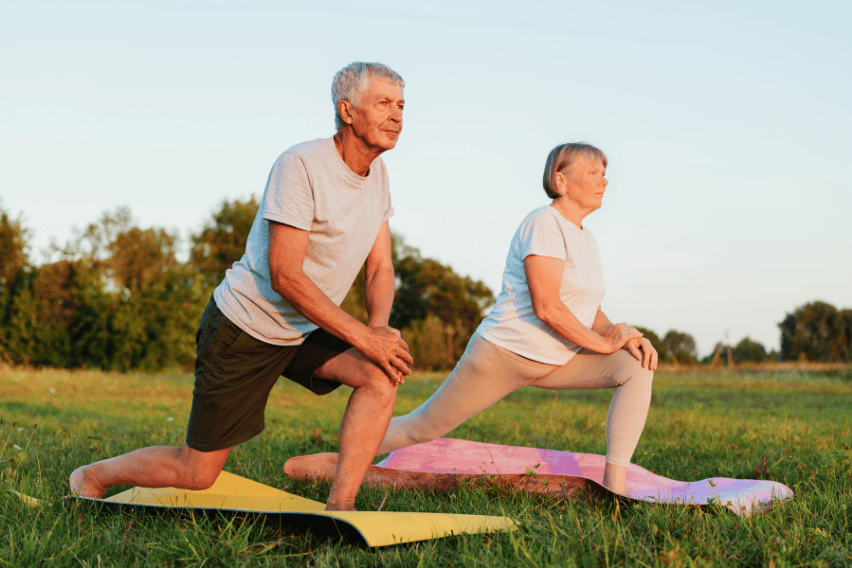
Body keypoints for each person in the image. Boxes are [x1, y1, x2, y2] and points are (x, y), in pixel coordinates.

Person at [70, 62, 413, 511]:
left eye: (401, 105)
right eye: (383, 103)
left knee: (380, 372)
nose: (396, 115)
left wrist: (380, 330)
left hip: (303, 329)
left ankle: (342, 505)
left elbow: (380, 267)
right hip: (244, 326)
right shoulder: (301, 165)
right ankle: (93, 475)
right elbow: (284, 276)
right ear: (347, 111)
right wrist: (364, 336)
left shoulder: (378, 177)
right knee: (196, 473)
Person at [374, 142, 657, 495]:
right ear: (561, 180)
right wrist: (603, 343)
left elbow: (590, 310)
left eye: (605, 173)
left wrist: (623, 335)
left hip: (554, 360)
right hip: (502, 356)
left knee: (635, 365)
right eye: (594, 173)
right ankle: (352, 449)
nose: (605, 181)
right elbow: (547, 307)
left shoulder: (587, 239)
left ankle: (614, 491)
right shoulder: (544, 223)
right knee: (422, 428)